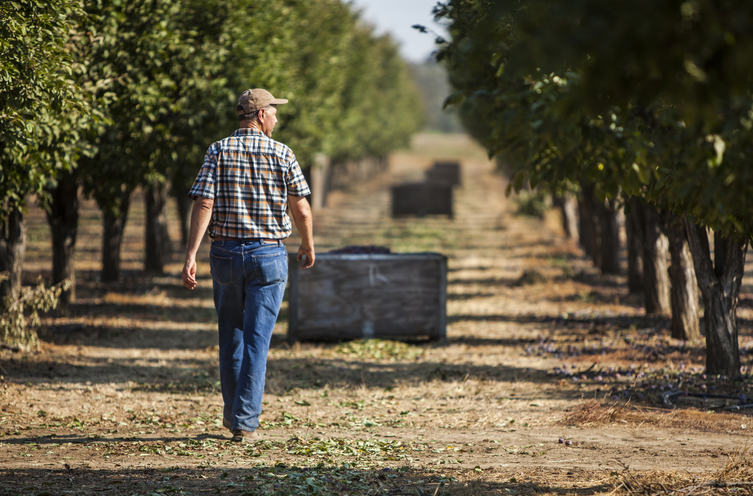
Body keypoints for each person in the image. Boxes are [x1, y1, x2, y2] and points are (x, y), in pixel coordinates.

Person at [181, 88, 315, 442]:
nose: (276, 117)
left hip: (225, 254)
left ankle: (233, 414)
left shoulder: (218, 150)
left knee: (231, 337)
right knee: (258, 340)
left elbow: (204, 204)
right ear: (260, 115)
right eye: (273, 111)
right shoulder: (282, 153)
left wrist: (191, 254)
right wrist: (308, 243)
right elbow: (300, 207)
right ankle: (244, 421)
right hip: (268, 256)